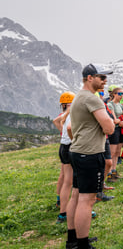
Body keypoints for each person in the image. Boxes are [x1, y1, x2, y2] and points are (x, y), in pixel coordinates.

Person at [66, 64, 115, 249]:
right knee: (87, 200)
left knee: (77, 195)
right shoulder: (92, 99)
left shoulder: (79, 96)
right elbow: (109, 128)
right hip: (90, 153)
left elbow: (71, 127)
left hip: (78, 151)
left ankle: (73, 239)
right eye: (101, 77)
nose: (105, 80)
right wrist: (109, 123)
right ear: (89, 78)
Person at [53, 92, 75, 223]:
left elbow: (56, 121)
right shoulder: (74, 112)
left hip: (63, 146)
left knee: (67, 181)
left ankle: (62, 212)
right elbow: (71, 128)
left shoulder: (66, 113)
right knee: (75, 181)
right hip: (71, 146)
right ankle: (76, 209)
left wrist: (63, 133)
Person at [106, 87, 123, 182]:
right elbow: (115, 119)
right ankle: (109, 173)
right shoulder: (110, 105)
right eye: (119, 94)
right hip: (114, 130)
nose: (121, 96)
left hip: (121, 129)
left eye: (122, 94)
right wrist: (121, 121)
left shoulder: (120, 105)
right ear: (114, 94)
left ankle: (114, 171)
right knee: (112, 152)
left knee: (117, 152)